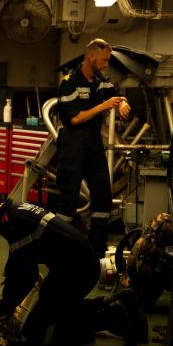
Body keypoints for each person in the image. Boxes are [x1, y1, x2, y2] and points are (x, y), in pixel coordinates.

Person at [0, 188, 147, 346]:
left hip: (77, 272)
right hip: (75, 264)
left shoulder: (13, 225)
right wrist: (5, 301)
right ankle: (121, 300)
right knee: (50, 306)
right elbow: (17, 260)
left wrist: (3, 307)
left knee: (36, 332)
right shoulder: (15, 209)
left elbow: (25, 275)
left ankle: (110, 316)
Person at [56, 38, 132, 258]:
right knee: (68, 201)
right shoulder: (69, 82)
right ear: (91, 57)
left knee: (103, 197)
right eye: (104, 59)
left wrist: (122, 102)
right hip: (73, 144)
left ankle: (97, 249)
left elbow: (115, 95)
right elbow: (74, 119)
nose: (106, 63)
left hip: (92, 145)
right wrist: (103, 106)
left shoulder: (100, 80)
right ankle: (62, 250)